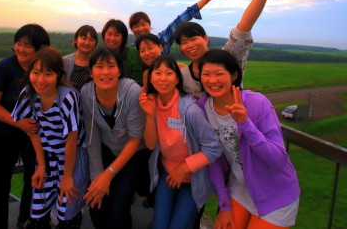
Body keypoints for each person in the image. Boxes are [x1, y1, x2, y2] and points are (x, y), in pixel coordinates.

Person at [174, 0, 295, 99]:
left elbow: (243, 29)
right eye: (184, 42)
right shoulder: (183, 76)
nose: (189, 45)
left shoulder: (227, 57)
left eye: (193, 38)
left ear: (205, 38)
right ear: (181, 49)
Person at [197, 49, 300, 229]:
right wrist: (224, 204)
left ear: (234, 74)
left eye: (219, 74)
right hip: (239, 189)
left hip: (275, 192)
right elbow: (212, 157)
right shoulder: (203, 108)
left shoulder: (256, 103)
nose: (212, 80)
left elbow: (278, 160)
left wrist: (245, 123)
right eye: (206, 74)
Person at [139, 55, 222, 229]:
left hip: (193, 178)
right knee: (159, 226)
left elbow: (213, 147)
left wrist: (183, 168)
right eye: (158, 73)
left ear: (177, 78)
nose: (163, 78)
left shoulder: (189, 110)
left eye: (169, 73)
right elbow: (151, 145)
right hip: (167, 173)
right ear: (151, 78)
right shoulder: (153, 104)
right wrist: (148, 115)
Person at [11, 46, 89, 229]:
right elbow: (33, 131)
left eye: (48, 74)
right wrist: (41, 166)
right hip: (47, 155)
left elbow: (72, 138)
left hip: (73, 157)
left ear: (58, 75)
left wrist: (68, 177)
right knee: (38, 211)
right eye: (36, 73)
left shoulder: (68, 97)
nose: (40, 80)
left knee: (67, 211)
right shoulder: (28, 94)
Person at [0, 24, 50, 229]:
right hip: (5, 133)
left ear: (41, 49)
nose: (21, 49)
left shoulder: (44, 69)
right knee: (0, 184)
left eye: (27, 46)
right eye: (18, 44)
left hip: (35, 135)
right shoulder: (3, 68)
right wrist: (18, 122)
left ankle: (26, 218)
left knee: (35, 179)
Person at [79, 47, 146, 229]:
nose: (106, 72)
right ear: (91, 72)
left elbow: (135, 139)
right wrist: (97, 178)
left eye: (111, 66)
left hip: (132, 154)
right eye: (99, 66)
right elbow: (92, 136)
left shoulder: (132, 92)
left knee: (118, 212)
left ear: (120, 71)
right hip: (106, 149)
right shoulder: (86, 93)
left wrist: (107, 175)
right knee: (96, 204)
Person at [129, 0, 228, 55]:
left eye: (143, 24)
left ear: (149, 25)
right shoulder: (131, 51)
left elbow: (179, 20)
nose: (141, 29)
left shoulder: (162, 39)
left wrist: (203, 1)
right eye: (136, 26)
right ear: (132, 29)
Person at [102, 19, 143, 86]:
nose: (112, 38)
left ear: (123, 37)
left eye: (117, 35)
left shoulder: (131, 53)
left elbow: (137, 80)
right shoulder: (101, 55)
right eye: (109, 34)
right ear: (104, 35)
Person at [63, 25, 99, 90]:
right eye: (84, 38)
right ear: (76, 40)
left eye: (91, 40)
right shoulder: (64, 61)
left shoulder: (97, 63)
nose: (87, 42)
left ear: (95, 43)